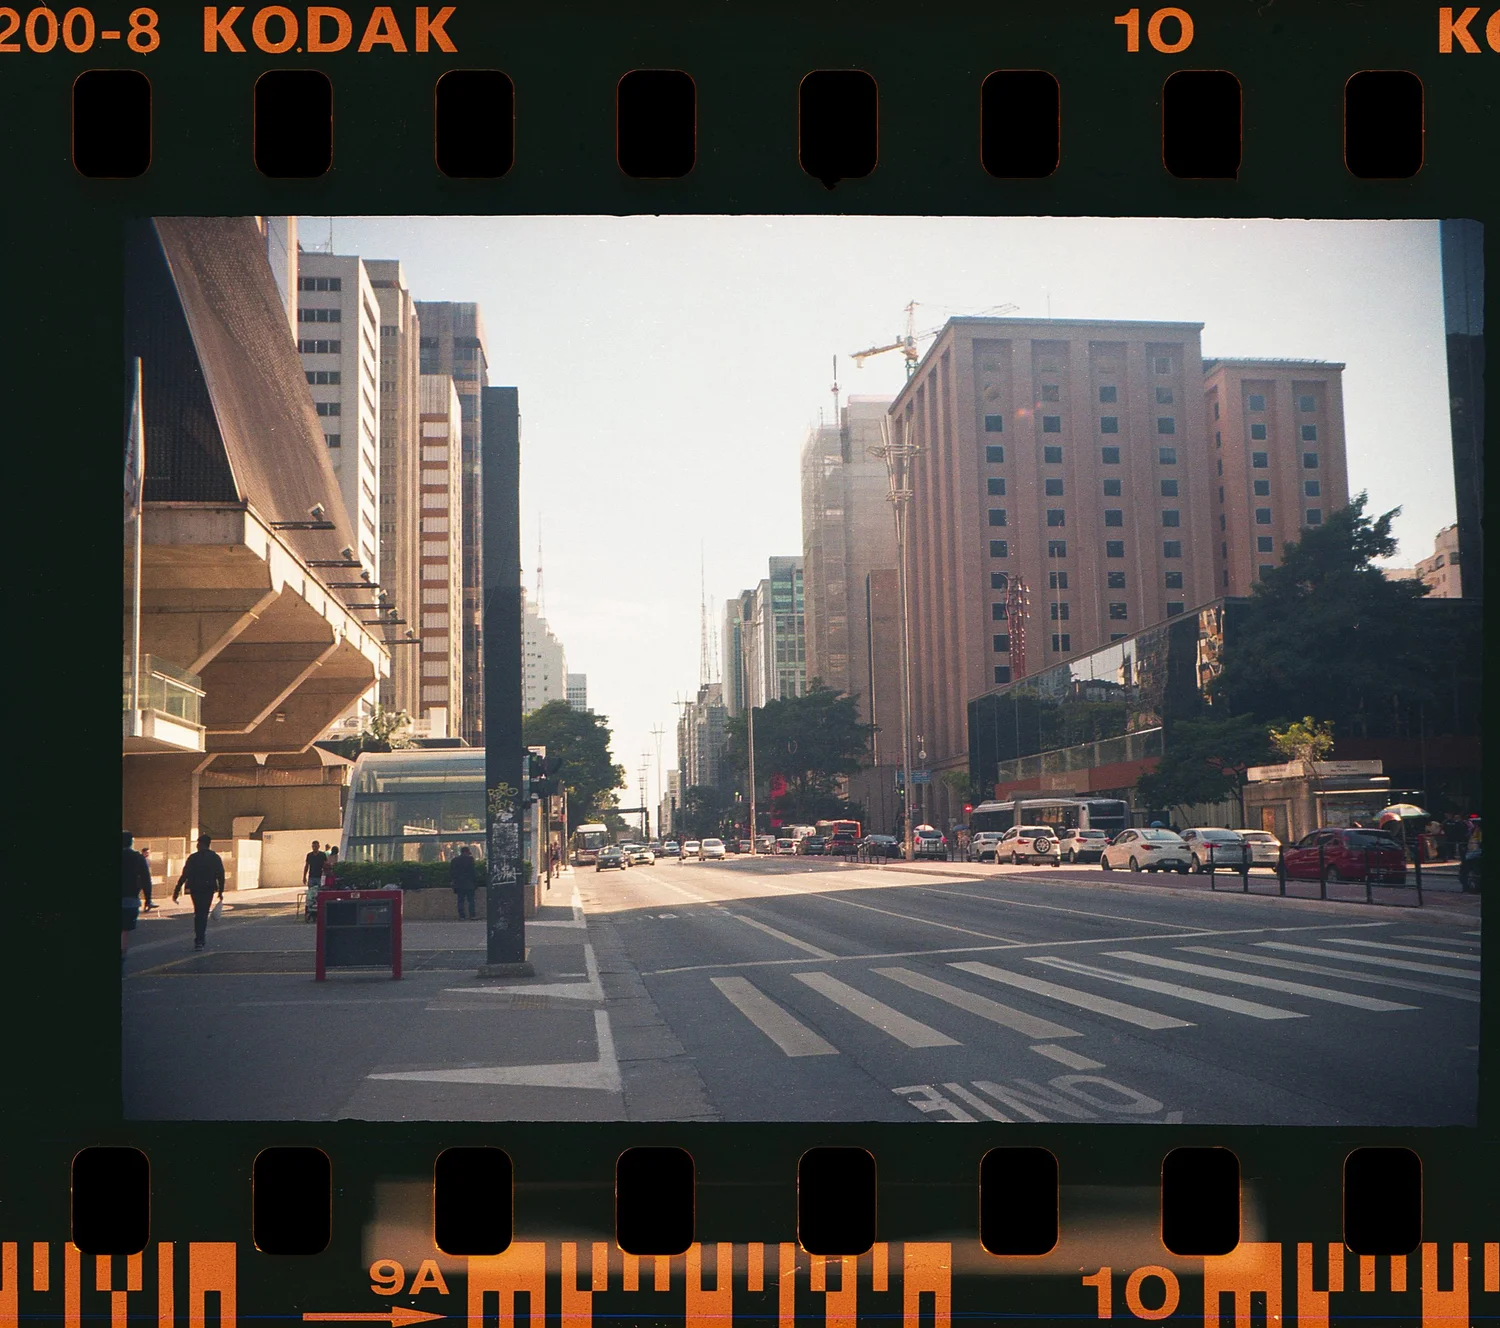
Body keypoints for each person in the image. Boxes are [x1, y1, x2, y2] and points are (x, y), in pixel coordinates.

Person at [174, 833, 225, 950]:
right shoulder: (215, 857)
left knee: (198, 912)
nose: (197, 845)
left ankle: (199, 938)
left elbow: (185, 874)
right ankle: (200, 939)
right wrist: (221, 891)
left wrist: (177, 889)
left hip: (195, 888)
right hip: (209, 888)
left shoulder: (193, 858)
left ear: (201, 844)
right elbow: (220, 875)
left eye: (198, 843)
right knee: (204, 912)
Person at [122, 832, 153, 967]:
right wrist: (148, 899)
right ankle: (122, 958)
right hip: (130, 898)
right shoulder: (137, 858)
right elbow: (146, 879)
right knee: (125, 931)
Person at [450, 844, 479, 919]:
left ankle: (461, 916)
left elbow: (452, 873)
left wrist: (453, 882)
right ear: (467, 852)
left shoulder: (454, 860)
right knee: (471, 900)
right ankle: (472, 915)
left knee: (460, 900)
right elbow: (473, 872)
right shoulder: (470, 859)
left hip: (459, 884)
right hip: (469, 883)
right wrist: (475, 882)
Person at [303, 839, 328, 921]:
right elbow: (307, 866)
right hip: (311, 877)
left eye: (316, 846)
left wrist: (325, 875)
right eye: (313, 846)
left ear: (319, 846)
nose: (315, 848)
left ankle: (318, 912)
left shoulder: (322, 855)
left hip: (320, 877)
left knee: (319, 894)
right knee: (311, 896)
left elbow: (325, 865)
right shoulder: (309, 855)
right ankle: (311, 913)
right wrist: (304, 876)